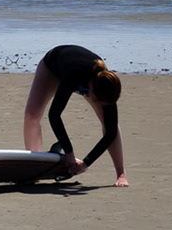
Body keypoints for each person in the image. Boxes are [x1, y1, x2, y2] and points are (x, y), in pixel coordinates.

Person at [23, 44, 127, 186]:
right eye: (98, 100)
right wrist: (69, 153)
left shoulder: (107, 82)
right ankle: (34, 167)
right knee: (32, 114)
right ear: (91, 88)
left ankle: (121, 173)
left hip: (83, 76)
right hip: (52, 66)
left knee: (110, 122)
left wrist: (85, 163)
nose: (99, 104)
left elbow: (111, 133)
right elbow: (54, 114)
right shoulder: (74, 74)